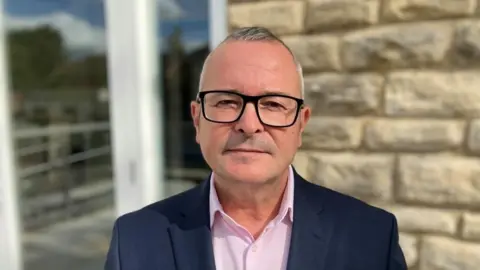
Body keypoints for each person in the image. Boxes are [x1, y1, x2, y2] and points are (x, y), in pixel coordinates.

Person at [104, 26, 407, 270]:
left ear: (301, 124)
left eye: (273, 104)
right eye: (226, 102)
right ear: (197, 120)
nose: (249, 125)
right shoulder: (134, 241)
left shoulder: (371, 238)